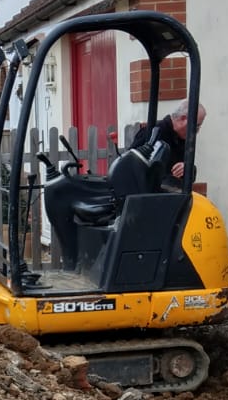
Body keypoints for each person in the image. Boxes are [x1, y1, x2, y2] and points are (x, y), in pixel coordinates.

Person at [43, 100, 207, 271]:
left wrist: (188, 169)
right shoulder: (152, 134)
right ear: (182, 119)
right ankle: (73, 263)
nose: (197, 132)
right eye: (196, 127)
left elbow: (185, 176)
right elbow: (133, 170)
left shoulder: (182, 141)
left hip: (161, 207)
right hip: (148, 203)